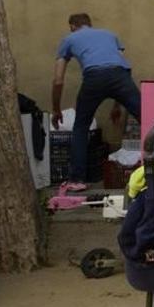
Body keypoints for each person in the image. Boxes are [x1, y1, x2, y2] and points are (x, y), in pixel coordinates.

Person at [51, 13, 140, 192]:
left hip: (93, 79)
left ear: (72, 26)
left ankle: (77, 180)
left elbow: (58, 80)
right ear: (89, 24)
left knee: (81, 127)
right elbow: (121, 64)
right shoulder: (110, 35)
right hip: (121, 77)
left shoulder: (68, 39)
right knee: (151, 120)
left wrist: (56, 110)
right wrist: (117, 106)